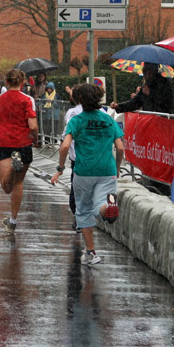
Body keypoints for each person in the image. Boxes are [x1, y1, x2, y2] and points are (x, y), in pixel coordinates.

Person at [51, 83, 123, 266]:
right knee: (103, 201)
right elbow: (120, 147)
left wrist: (60, 168)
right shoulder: (109, 120)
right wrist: (118, 166)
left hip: (84, 171)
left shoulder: (76, 121)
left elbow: (65, 146)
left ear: (80, 100)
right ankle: (108, 207)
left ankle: (91, 252)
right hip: (107, 171)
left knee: (83, 209)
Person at [0, 69, 38, 235]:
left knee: (6, 186)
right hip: (23, 143)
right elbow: (33, 126)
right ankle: (13, 221)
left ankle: (10, 168)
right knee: (18, 183)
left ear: (6, 82)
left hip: (2, 143)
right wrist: (35, 139)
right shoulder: (26, 101)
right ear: (22, 83)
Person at [62, 87, 83, 232]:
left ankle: (78, 218)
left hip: (79, 159)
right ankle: (105, 207)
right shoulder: (103, 114)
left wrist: (59, 167)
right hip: (102, 161)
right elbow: (119, 146)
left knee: (77, 189)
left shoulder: (72, 114)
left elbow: (65, 140)